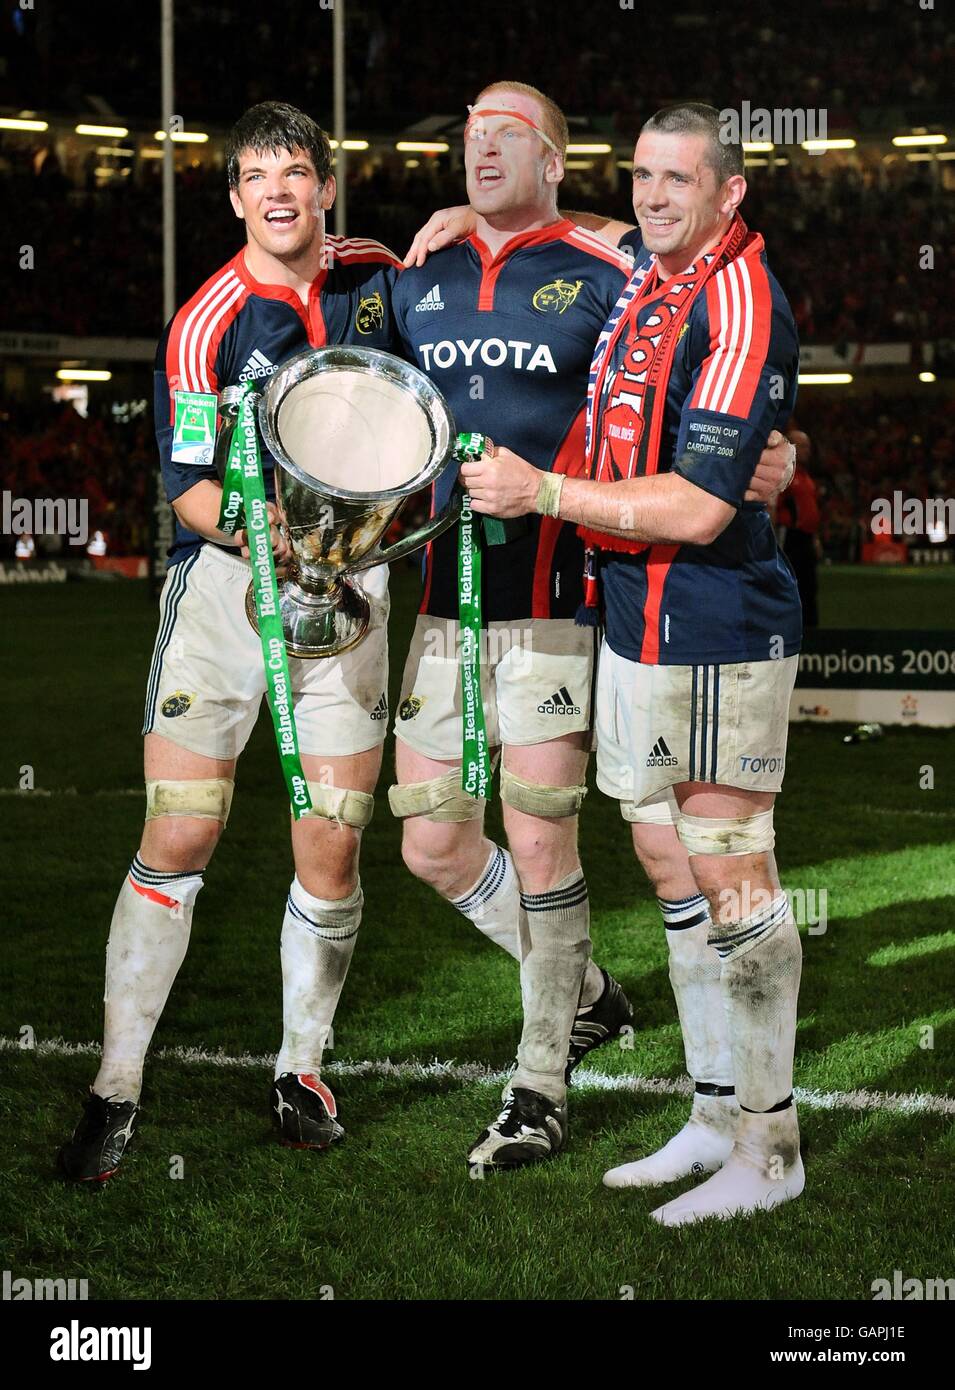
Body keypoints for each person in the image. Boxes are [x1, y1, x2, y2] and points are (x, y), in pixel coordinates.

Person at [391, 84, 794, 1171]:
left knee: (550, 839)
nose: (481, 149)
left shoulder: (617, 262)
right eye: (469, 133)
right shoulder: (412, 273)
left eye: (507, 135)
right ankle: (591, 995)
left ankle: (539, 1084)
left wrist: (779, 451)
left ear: (556, 159)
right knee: (429, 837)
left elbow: (721, 361)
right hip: (443, 597)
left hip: (568, 597)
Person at [57, 102, 404, 1181]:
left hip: (354, 589)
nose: (277, 191)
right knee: (182, 833)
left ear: (327, 185)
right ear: (236, 198)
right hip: (225, 594)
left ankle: (301, 1065)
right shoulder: (208, 322)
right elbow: (191, 490)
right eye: (256, 176)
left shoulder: (380, 275)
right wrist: (285, 539)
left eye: (295, 170)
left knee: (333, 841)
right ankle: (116, 1085)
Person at [777, 426, 820, 627]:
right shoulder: (784, 473)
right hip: (791, 537)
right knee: (792, 584)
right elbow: (773, 507)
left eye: (808, 446)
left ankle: (811, 631)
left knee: (809, 586)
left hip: (806, 538)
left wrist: (815, 537)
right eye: (802, 446)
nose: (806, 450)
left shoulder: (805, 476)